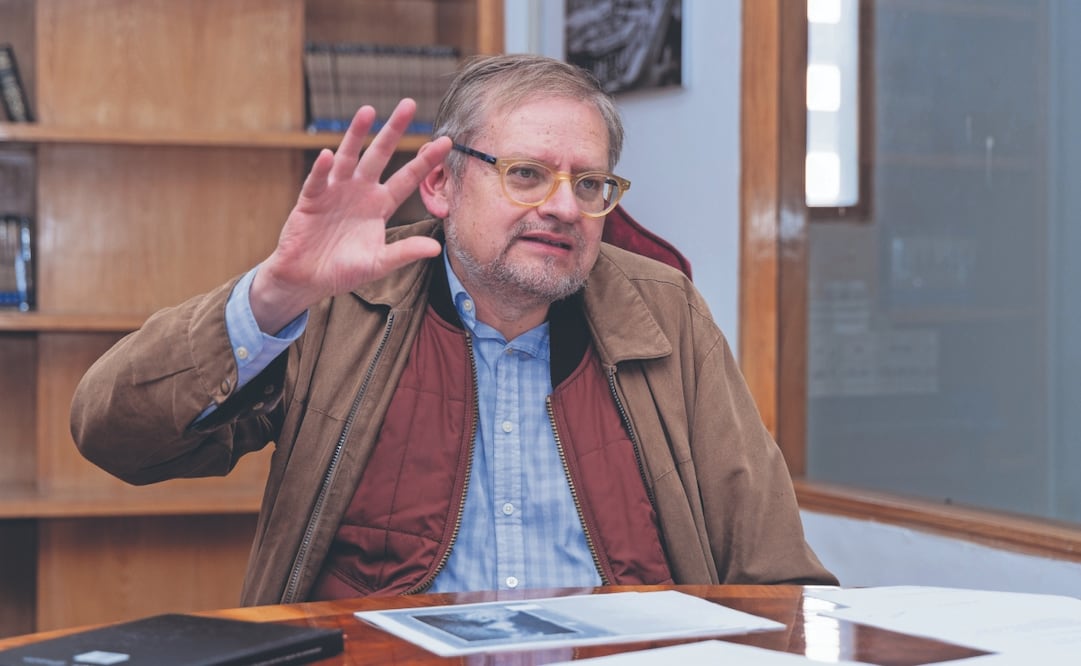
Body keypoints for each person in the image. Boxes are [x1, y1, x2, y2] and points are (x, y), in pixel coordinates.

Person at [70, 54, 836, 606]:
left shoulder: (667, 313)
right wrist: (275, 294)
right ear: (440, 183)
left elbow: (774, 573)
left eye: (589, 183)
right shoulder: (339, 302)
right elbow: (114, 436)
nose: (563, 208)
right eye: (526, 173)